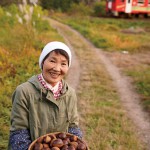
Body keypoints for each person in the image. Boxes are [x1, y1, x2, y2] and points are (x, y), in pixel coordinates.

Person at [8, 41, 82, 150]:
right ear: (43, 62)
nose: (57, 69)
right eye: (52, 61)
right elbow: (19, 132)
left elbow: (73, 127)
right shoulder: (24, 92)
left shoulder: (70, 94)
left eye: (63, 64)